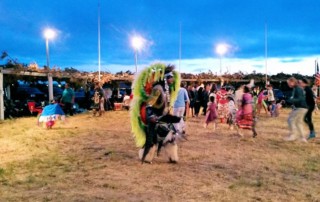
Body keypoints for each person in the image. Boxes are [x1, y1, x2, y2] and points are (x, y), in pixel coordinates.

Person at [284, 77, 308, 142]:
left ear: (293, 82)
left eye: (289, 83)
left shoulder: (298, 89)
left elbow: (300, 99)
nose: (288, 84)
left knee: (290, 120)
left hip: (301, 108)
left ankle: (293, 135)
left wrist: (291, 100)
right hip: (303, 108)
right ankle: (303, 138)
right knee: (298, 123)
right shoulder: (296, 89)